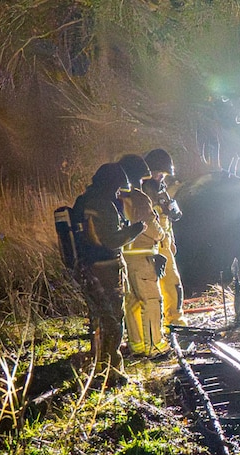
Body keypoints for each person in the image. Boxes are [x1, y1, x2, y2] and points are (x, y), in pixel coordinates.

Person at [73, 162, 145, 386]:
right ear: (110, 184)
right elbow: (112, 240)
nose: (117, 192)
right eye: (117, 188)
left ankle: (96, 366)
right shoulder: (102, 204)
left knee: (98, 319)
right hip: (105, 269)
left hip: (86, 267)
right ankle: (111, 372)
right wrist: (136, 229)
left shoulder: (82, 201)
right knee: (113, 321)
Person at [116, 154, 171, 357]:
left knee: (132, 303)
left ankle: (137, 346)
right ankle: (155, 346)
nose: (142, 182)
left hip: (125, 257)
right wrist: (162, 231)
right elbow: (152, 228)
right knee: (151, 300)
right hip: (143, 258)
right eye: (141, 178)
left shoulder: (117, 198)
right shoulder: (138, 198)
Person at [143, 148, 187, 325]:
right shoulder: (143, 190)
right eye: (157, 173)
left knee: (173, 285)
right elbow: (146, 218)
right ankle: (154, 328)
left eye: (163, 174)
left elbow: (168, 217)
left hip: (164, 243)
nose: (160, 177)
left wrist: (171, 240)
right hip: (150, 245)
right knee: (151, 291)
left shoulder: (161, 190)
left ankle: (175, 323)